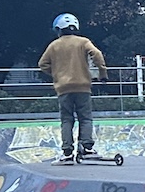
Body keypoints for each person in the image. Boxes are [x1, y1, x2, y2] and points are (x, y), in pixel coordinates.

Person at [38, 13, 108, 160]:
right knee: (85, 118)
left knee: (66, 119)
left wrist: (57, 74)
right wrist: (102, 73)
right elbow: (97, 54)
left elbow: (42, 64)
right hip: (83, 86)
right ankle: (87, 148)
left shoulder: (54, 45)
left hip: (63, 88)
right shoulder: (83, 42)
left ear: (58, 29)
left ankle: (67, 152)